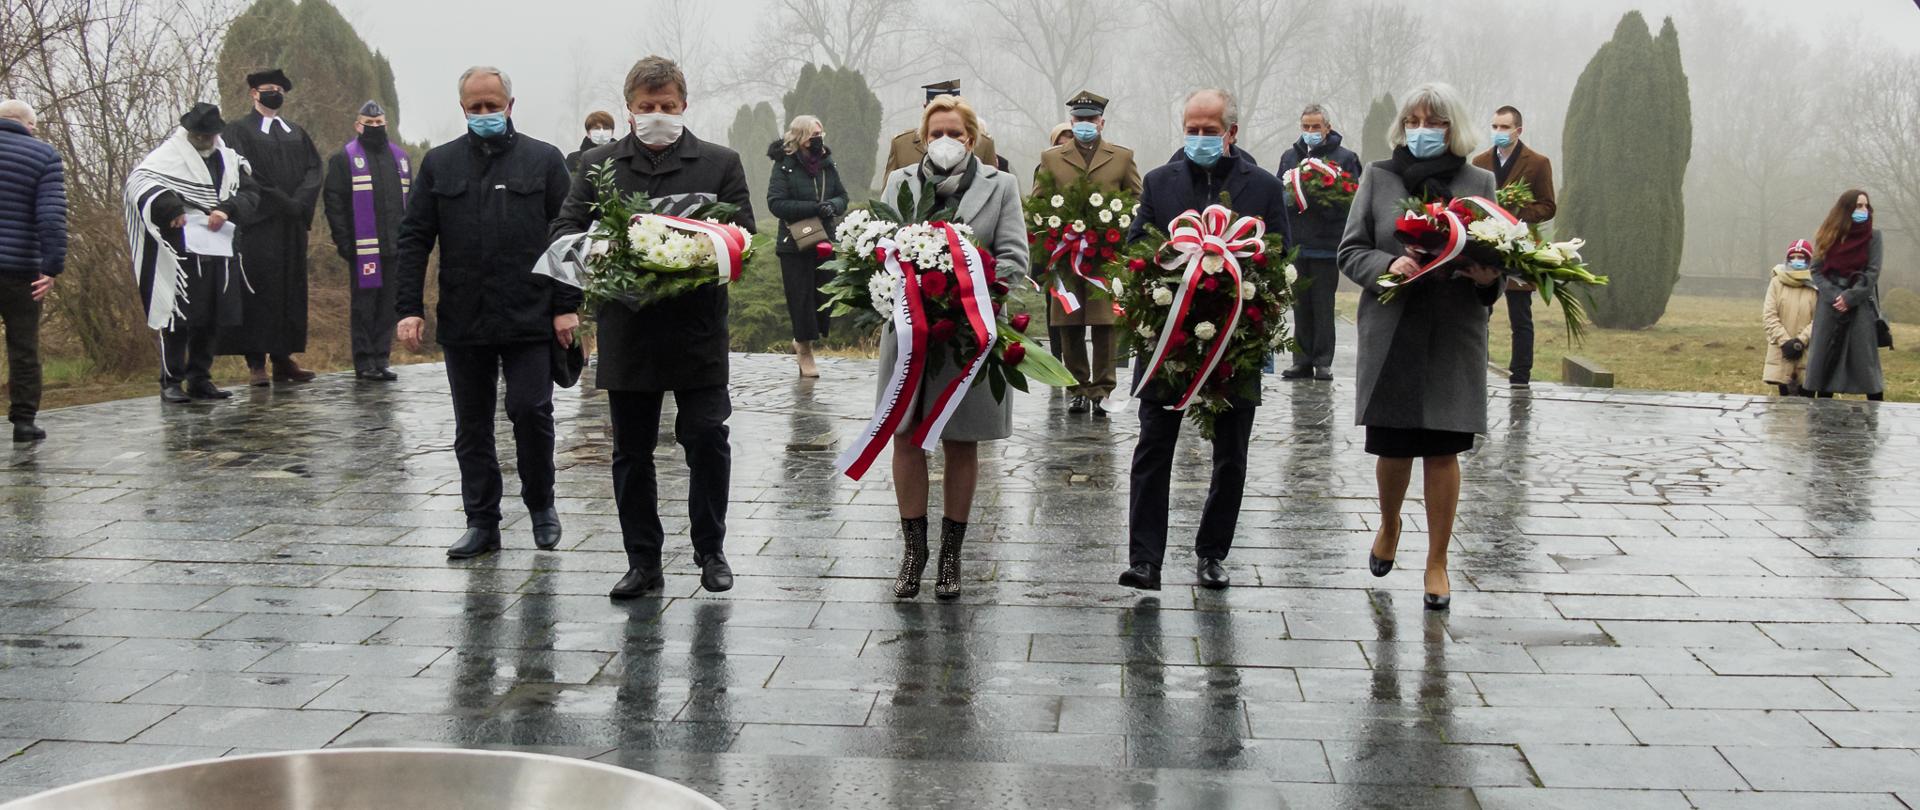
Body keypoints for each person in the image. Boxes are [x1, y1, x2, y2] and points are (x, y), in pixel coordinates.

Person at [550, 56, 753, 600]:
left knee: (708, 438)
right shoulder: (598, 165)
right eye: (646, 107)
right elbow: (566, 228)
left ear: (684, 106)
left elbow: (744, 236)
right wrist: (607, 250)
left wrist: (695, 249)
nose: (657, 115)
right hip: (629, 330)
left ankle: (710, 550)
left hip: (697, 331)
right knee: (631, 452)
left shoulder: (720, 163)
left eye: (667, 106)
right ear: (630, 109)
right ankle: (643, 561)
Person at [393, 66, 575, 560]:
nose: (485, 114)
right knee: (472, 425)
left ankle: (541, 505)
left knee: (530, 410)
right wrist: (409, 307)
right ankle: (482, 522)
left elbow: (569, 238)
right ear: (463, 110)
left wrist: (566, 308)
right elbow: (413, 239)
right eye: (475, 107)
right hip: (465, 316)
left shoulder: (544, 160)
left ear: (510, 105)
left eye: (493, 105)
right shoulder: (440, 165)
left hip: (529, 314)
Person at [1338, 83, 1502, 611]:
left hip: (1452, 332)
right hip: (1393, 327)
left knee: (1442, 448)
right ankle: (1388, 524)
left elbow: (1502, 258)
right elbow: (1351, 249)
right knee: (1394, 444)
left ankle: (1437, 561)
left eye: (1434, 121)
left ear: (1454, 127)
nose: (1422, 129)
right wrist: (1388, 265)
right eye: (1414, 120)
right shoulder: (1378, 176)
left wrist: (1484, 276)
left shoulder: (1479, 181)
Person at [1119, 88, 1289, 592]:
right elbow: (1137, 249)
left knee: (1231, 454)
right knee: (1153, 449)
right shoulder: (1158, 182)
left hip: (1236, 343)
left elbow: (1278, 255)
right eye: (1191, 129)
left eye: (1209, 131)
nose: (1199, 138)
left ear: (1231, 133)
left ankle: (1213, 552)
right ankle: (1145, 560)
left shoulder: (1261, 186)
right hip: (1167, 342)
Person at [878, 93, 1029, 600]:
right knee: (906, 436)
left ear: (972, 139)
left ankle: (950, 557)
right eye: (936, 133)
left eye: (956, 134)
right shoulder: (900, 183)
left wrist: (972, 293)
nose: (946, 142)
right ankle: (913, 552)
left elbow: (1013, 258)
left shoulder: (1001, 185)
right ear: (923, 137)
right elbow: (880, 253)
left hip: (970, 336)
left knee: (961, 441)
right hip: (908, 337)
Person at [124, 103, 261, 405]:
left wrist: (227, 209)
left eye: (208, 136)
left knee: (211, 316)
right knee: (178, 319)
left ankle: (200, 378)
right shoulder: (166, 158)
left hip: (219, 247)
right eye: (198, 135)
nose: (203, 140)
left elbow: (251, 194)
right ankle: (170, 380)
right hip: (181, 249)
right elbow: (140, 184)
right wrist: (170, 208)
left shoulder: (230, 160)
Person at [1035, 90, 1141, 418]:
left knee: (1104, 322)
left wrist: (1120, 232)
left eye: (1090, 119)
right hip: (1067, 255)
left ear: (1101, 122)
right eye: (1079, 119)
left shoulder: (1121, 157)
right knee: (1069, 322)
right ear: (1071, 121)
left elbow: (1137, 200)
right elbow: (1038, 203)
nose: (1085, 124)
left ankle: (1102, 388)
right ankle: (1078, 387)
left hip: (1105, 255)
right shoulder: (1052, 158)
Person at [219, 68, 322, 387]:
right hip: (259, 224)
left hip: (291, 225)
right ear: (253, 93)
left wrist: (300, 202)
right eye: (268, 88)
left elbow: (314, 170)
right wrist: (280, 200)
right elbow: (244, 175)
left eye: (279, 88)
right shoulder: (238, 131)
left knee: (289, 290)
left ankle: (282, 357)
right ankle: (256, 362)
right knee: (258, 290)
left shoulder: (296, 131)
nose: (274, 93)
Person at [322, 100, 409, 382]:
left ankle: (382, 357)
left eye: (379, 123)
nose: (374, 127)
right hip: (363, 249)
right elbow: (334, 203)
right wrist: (344, 242)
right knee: (364, 306)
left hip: (394, 246)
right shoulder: (344, 158)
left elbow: (412, 202)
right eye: (369, 123)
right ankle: (364, 361)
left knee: (387, 305)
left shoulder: (401, 159)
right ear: (358, 125)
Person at [1470, 105, 1556, 388]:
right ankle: (1475, 368)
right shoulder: (1480, 161)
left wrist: (1516, 212)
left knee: (1520, 316)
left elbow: (1548, 205)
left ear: (1518, 130)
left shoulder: (1538, 162)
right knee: (1481, 310)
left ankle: (1520, 376)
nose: (1498, 132)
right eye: (1495, 127)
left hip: (1520, 246)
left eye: (1504, 128)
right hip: (1487, 244)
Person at [1276, 103, 1361, 382]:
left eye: (1316, 126)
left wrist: (1327, 200)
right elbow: (1279, 193)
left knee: (1323, 305)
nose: (1311, 132)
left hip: (1326, 244)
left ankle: (1323, 360)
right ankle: (1301, 359)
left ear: (1327, 127)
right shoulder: (1290, 157)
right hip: (1298, 243)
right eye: (1306, 127)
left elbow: (1353, 198)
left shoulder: (1345, 158)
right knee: (1300, 305)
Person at [0, 100, 64, 443]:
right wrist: (51, 267)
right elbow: (51, 218)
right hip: (21, 269)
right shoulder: (43, 156)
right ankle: (23, 422)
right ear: (28, 124)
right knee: (23, 346)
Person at [766, 114, 848, 378]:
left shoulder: (827, 163)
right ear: (801, 136)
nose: (818, 138)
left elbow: (842, 196)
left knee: (823, 295)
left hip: (824, 239)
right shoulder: (784, 166)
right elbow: (776, 203)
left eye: (821, 133)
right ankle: (804, 348)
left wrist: (832, 206)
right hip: (794, 243)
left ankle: (809, 340)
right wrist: (813, 208)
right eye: (813, 134)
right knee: (800, 297)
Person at [1804, 190, 1885, 401]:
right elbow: (1816, 270)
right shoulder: (1828, 235)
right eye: (1858, 206)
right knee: (1826, 359)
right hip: (1830, 304)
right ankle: (1823, 412)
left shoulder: (1874, 237)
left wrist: (1851, 297)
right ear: (1847, 209)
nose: (1863, 210)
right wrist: (1834, 296)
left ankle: (1875, 411)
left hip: (1859, 303)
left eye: (1866, 206)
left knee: (1865, 362)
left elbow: (1872, 272)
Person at [883, 80, 999, 175]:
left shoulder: (984, 144)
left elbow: (992, 186)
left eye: (955, 134)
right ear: (925, 107)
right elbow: (889, 198)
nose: (945, 139)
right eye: (936, 134)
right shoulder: (902, 145)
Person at [1762, 239, 1817, 397]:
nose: (1797, 261)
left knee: (1807, 405)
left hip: (1807, 352)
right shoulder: (1776, 283)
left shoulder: (1815, 286)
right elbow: (1769, 315)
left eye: (1801, 257)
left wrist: (1801, 341)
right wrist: (1785, 342)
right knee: (1784, 407)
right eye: (1793, 257)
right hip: (1782, 351)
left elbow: (1819, 319)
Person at [566, 110, 616, 176]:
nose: (601, 132)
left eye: (606, 128)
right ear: (588, 133)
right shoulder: (574, 159)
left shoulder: (621, 158)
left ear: (612, 132)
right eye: (597, 128)